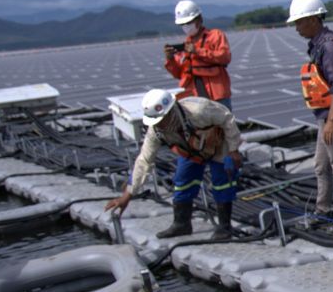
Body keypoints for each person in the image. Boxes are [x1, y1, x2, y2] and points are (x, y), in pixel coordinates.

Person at [104, 88, 243, 241]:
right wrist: (127, 195)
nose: (160, 124)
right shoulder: (156, 131)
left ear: (170, 111)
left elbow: (227, 119)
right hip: (191, 149)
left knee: (222, 182)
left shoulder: (199, 111)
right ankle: (181, 224)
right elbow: (144, 159)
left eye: (161, 120)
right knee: (182, 181)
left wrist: (233, 149)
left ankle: (224, 227)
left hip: (217, 143)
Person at [287, 0, 333, 222]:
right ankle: (323, 209)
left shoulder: (328, 47)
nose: (297, 28)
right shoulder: (319, 44)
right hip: (327, 117)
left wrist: (331, 121)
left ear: (313, 19)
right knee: (321, 165)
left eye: (299, 22)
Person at [165, 0, 233, 109]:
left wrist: (197, 51)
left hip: (217, 96)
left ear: (199, 19)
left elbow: (225, 57)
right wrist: (170, 59)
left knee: (223, 124)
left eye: (189, 23)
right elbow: (179, 74)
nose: (186, 26)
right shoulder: (185, 46)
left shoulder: (215, 35)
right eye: (183, 24)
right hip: (195, 98)